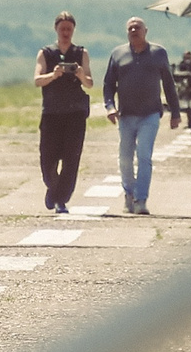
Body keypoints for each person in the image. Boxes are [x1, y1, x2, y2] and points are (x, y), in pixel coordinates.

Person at [102, 16, 181, 215]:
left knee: (144, 156)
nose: (134, 30)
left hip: (150, 114)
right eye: (130, 28)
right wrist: (110, 107)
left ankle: (141, 199)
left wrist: (176, 113)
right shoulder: (118, 54)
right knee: (125, 158)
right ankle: (128, 193)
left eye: (138, 27)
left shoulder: (158, 53)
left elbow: (169, 84)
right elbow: (108, 84)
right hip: (126, 115)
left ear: (146, 30)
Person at [33, 12, 93, 214]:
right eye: (62, 29)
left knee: (71, 159)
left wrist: (80, 74)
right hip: (51, 113)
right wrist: (54, 74)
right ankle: (53, 188)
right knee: (47, 159)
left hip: (74, 114)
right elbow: (37, 80)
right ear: (56, 30)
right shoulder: (46, 53)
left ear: (73, 30)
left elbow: (90, 83)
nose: (66, 32)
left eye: (69, 29)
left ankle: (61, 199)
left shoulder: (81, 53)